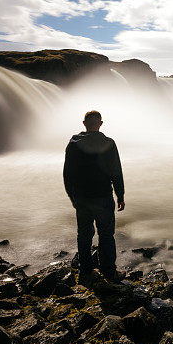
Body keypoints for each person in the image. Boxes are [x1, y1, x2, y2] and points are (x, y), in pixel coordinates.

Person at [63, 110, 125, 281]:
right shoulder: (108, 143)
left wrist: (72, 197)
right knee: (106, 234)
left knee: (84, 234)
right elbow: (116, 172)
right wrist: (120, 195)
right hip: (103, 196)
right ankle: (109, 272)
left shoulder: (74, 144)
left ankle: (86, 272)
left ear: (84, 124)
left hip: (82, 198)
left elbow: (67, 174)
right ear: (100, 124)